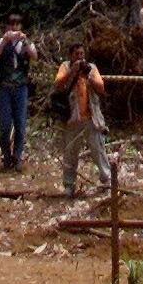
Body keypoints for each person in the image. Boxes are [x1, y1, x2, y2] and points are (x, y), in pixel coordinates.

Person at [54, 42, 112, 199]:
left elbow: (101, 88)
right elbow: (58, 84)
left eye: (82, 54)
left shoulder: (91, 68)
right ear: (70, 55)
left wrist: (89, 77)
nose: (80, 57)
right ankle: (69, 185)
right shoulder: (65, 67)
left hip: (91, 117)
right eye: (77, 54)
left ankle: (107, 179)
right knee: (70, 153)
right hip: (72, 118)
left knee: (98, 149)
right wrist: (71, 72)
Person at [0, 12, 37, 171]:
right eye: (11, 24)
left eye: (17, 24)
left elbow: (34, 56)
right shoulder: (1, 42)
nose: (14, 27)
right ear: (7, 26)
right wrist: (5, 40)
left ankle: (17, 156)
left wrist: (24, 40)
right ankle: (6, 156)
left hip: (21, 88)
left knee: (20, 124)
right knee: (4, 125)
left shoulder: (25, 42)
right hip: (5, 88)